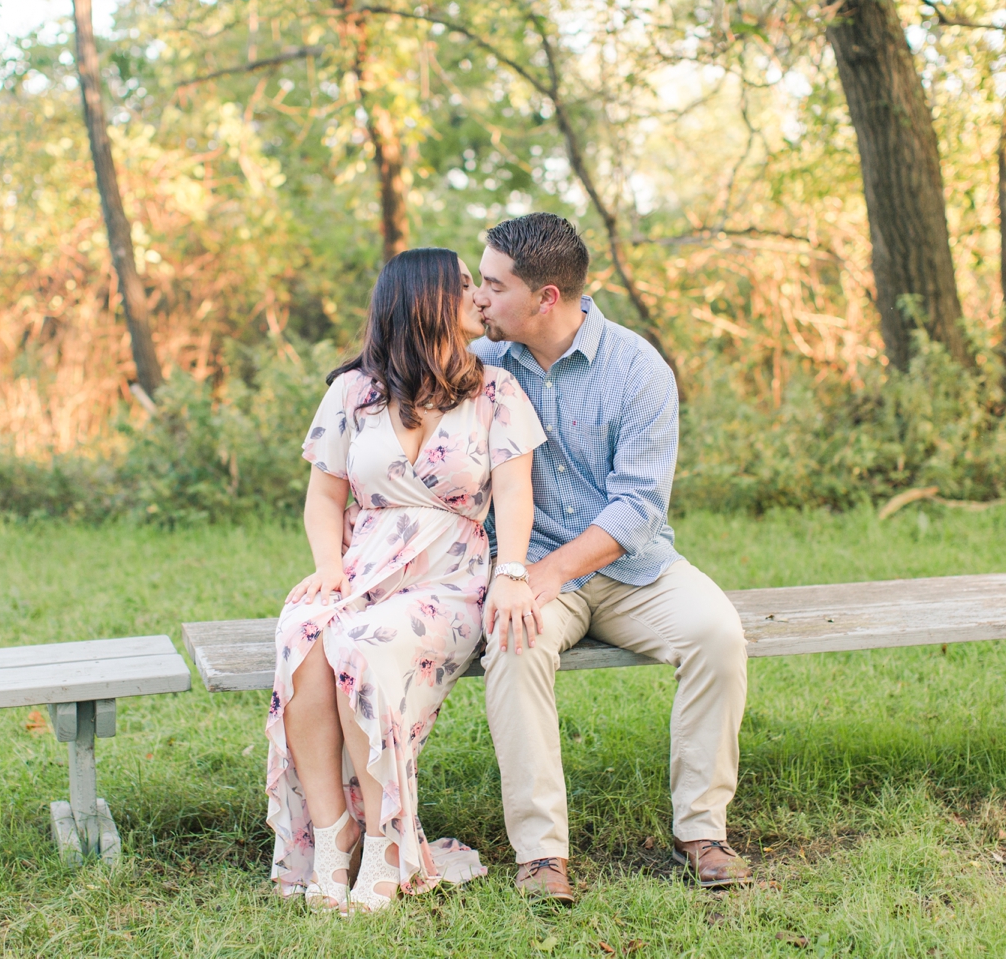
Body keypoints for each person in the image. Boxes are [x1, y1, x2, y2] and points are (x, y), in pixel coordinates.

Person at [471, 213, 751, 904]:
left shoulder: (637, 368)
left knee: (717, 633)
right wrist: (521, 574)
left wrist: (552, 572)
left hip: (632, 567)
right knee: (512, 644)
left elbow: (638, 506)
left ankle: (702, 830)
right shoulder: (483, 361)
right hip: (529, 565)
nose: (479, 297)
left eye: (492, 284)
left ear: (547, 298)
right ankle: (541, 854)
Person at [266, 247, 547, 914]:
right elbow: (324, 497)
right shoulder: (353, 392)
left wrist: (512, 570)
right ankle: (335, 837)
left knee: (361, 643)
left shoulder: (496, 391)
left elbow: (514, 493)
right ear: (425, 301)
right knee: (303, 632)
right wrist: (329, 568)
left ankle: (391, 846)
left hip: (450, 578)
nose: (479, 296)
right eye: (464, 286)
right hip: (364, 566)